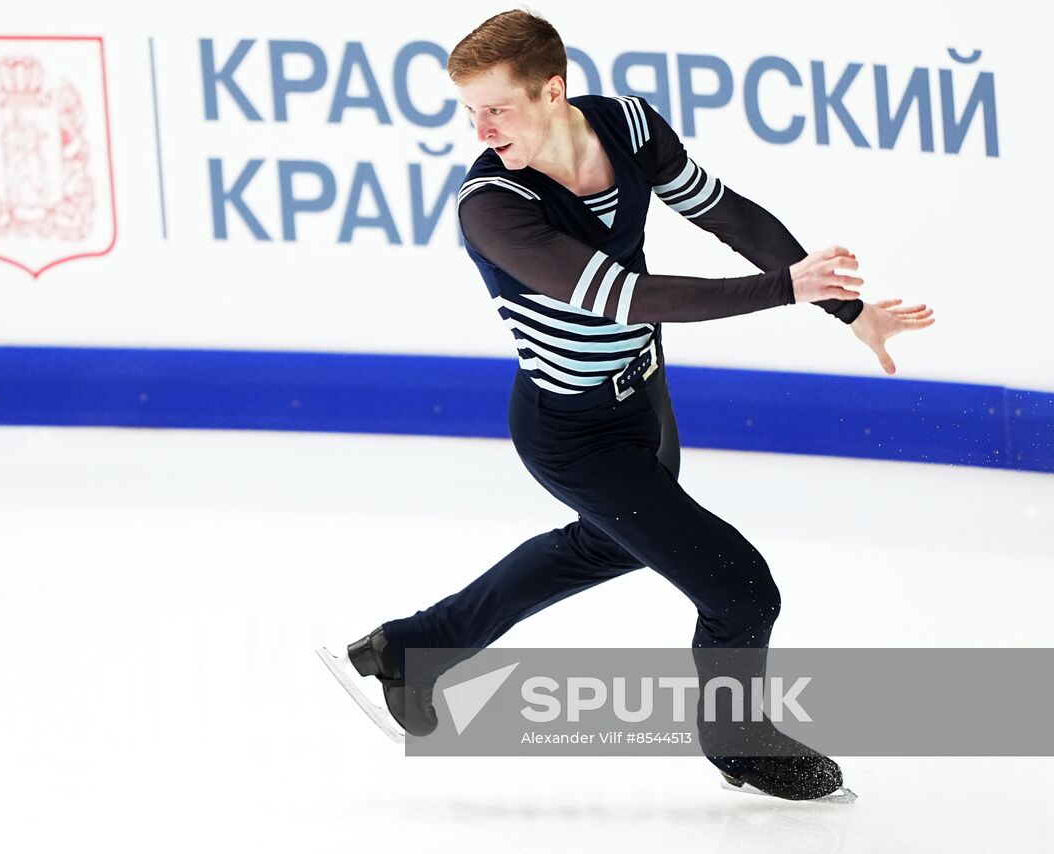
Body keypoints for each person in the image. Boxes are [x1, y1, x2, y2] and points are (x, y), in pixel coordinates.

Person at [342, 10, 935, 800]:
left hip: (644, 398)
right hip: (571, 431)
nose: (480, 130)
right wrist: (785, 290)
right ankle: (739, 744)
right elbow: (627, 296)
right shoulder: (493, 205)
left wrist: (849, 312)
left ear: (553, 90)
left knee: (609, 544)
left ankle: (417, 647)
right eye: (468, 112)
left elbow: (726, 214)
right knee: (741, 589)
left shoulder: (625, 125)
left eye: (497, 108)